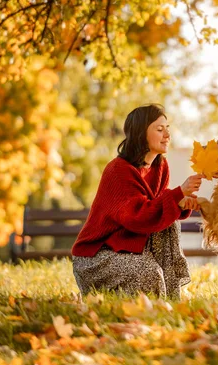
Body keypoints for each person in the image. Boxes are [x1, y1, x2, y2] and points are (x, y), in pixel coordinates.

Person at [71, 104, 203, 299]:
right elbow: (137, 217)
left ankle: (170, 297)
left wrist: (180, 203)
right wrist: (177, 194)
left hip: (129, 247)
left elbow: (157, 210)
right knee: (150, 277)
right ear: (141, 133)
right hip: (96, 256)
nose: (167, 134)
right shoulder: (118, 170)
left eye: (167, 128)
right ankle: (150, 298)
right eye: (159, 129)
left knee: (170, 223)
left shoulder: (160, 166)